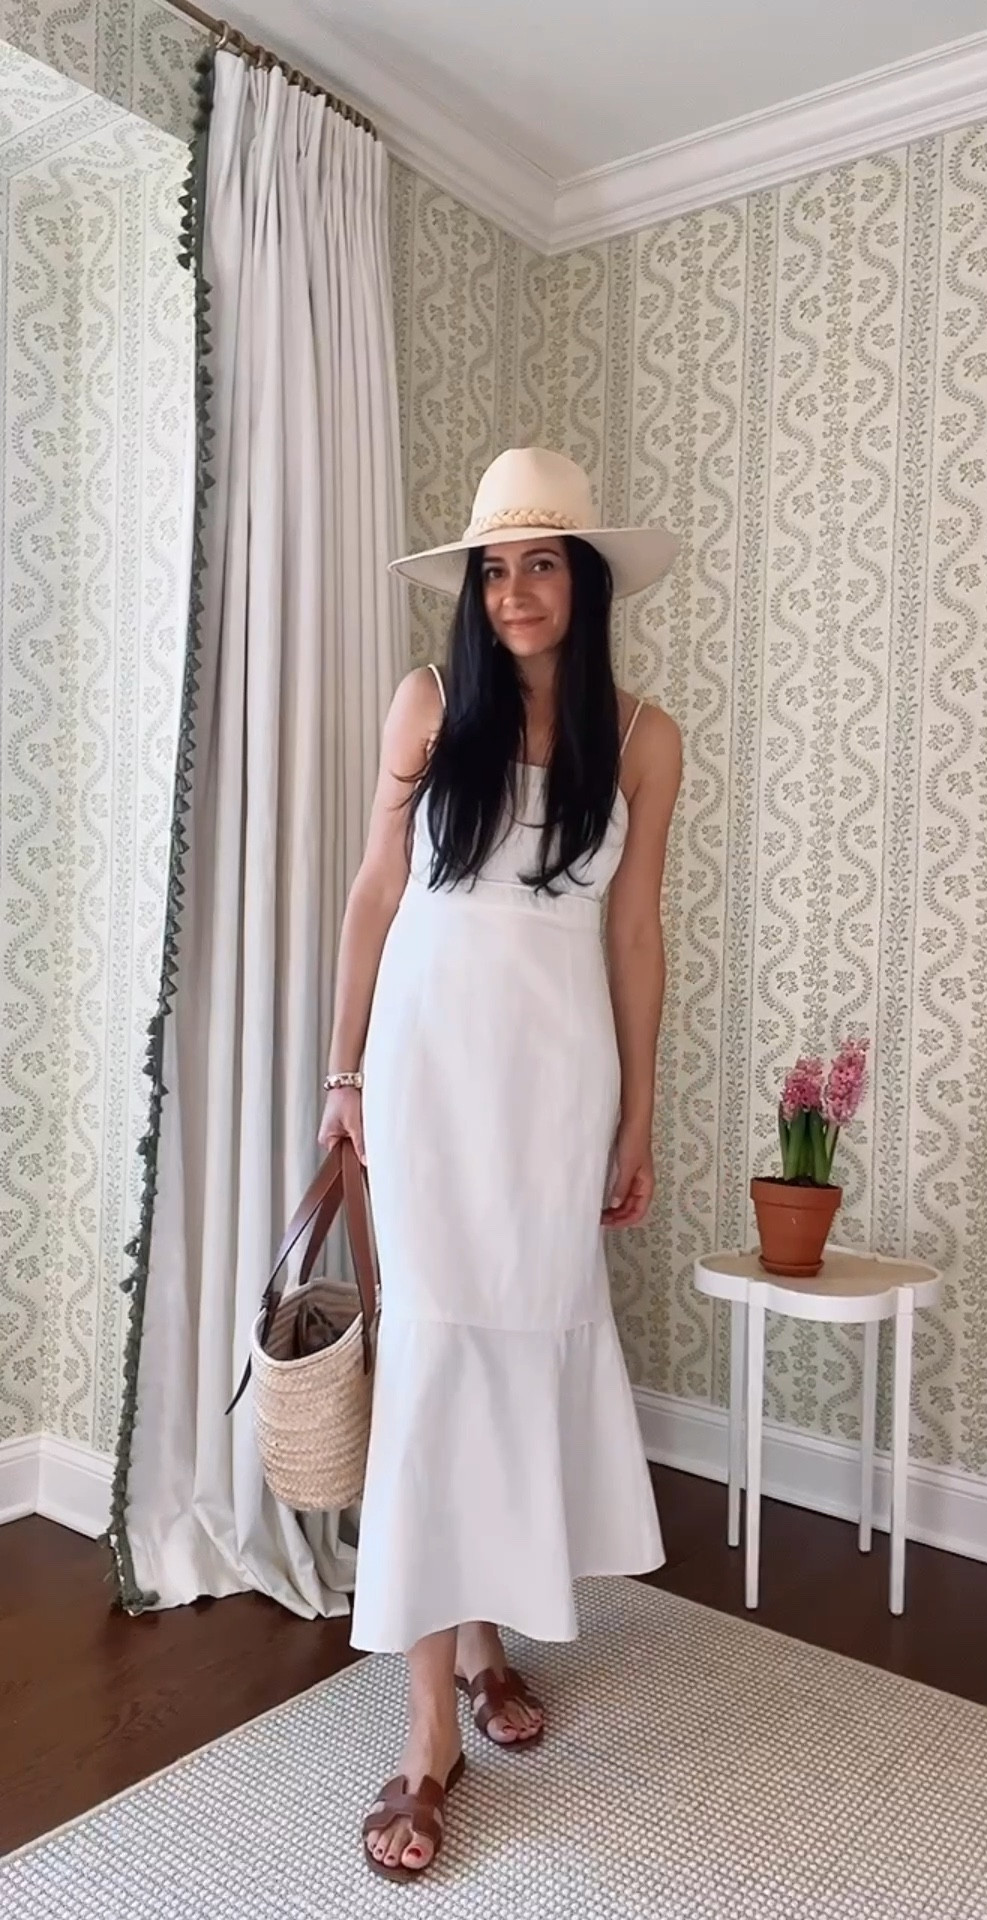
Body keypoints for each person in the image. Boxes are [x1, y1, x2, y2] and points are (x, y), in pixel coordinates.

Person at [318, 447, 682, 1882]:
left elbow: (635, 936)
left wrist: (640, 1112)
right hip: (423, 1079)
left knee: (518, 1353)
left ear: (582, 584)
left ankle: (483, 1640)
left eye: (543, 563)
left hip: (555, 1086)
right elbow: (375, 894)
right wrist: (340, 1073)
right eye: (494, 566)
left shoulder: (644, 736)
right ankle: (426, 1736)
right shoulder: (429, 706)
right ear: (473, 590)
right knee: (436, 1365)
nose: (517, 590)